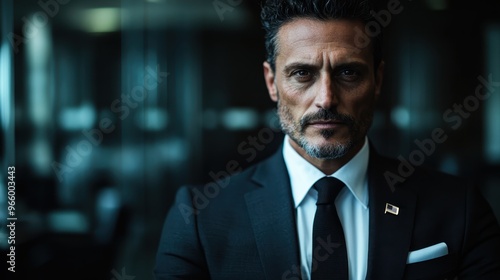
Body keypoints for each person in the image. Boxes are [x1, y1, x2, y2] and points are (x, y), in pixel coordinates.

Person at [154, 0, 500, 279]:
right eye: (302, 74)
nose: (326, 98)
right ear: (272, 82)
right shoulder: (199, 217)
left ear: (378, 80)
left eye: (348, 72)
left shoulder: (459, 209)